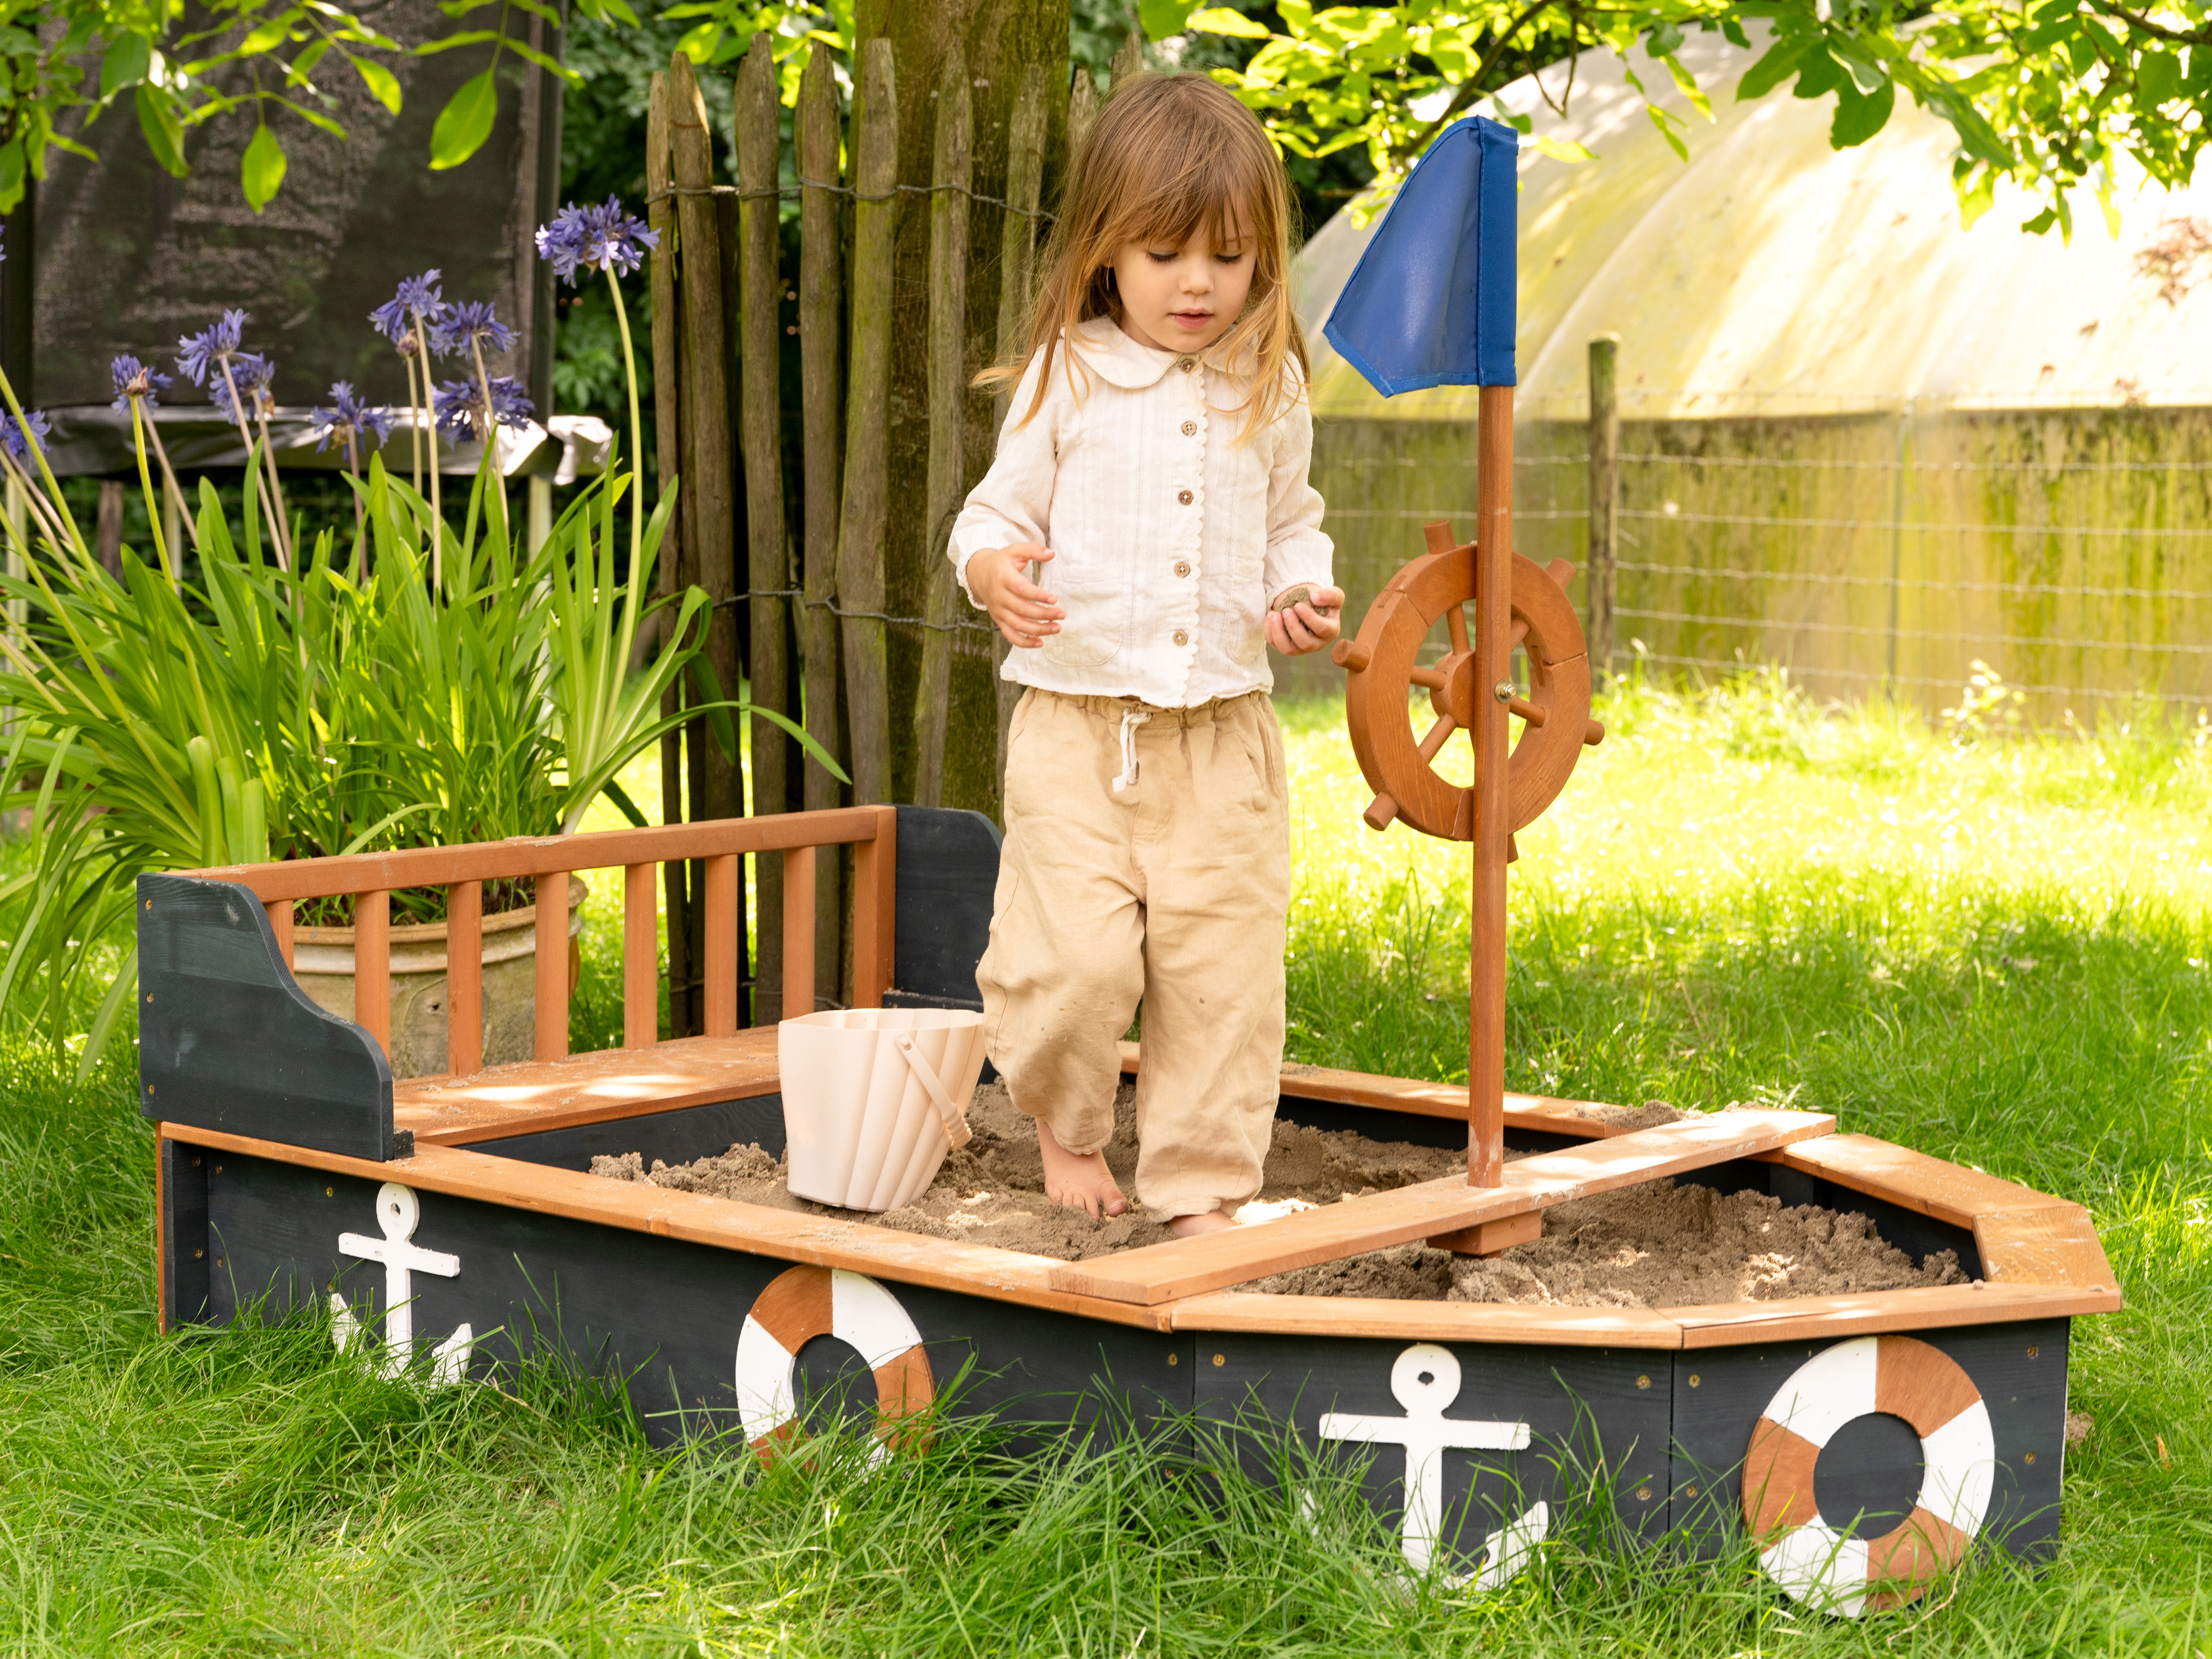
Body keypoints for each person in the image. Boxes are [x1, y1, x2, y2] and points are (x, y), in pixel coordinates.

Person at [950, 72, 1343, 1239]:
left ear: (1260, 260)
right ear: (1106, 250)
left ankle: (1199, 1190)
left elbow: (1292, 521)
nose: (1197, 283)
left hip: (1222, 745)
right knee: (1071, 963)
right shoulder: (1063, 380)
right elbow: (988, 518)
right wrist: (992, 573)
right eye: (1165, 252)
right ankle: (1064, 1122)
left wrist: (1296, 589)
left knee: (1221, 983)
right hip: (1076, 736)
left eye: (1226, 256)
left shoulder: (1265, 386)